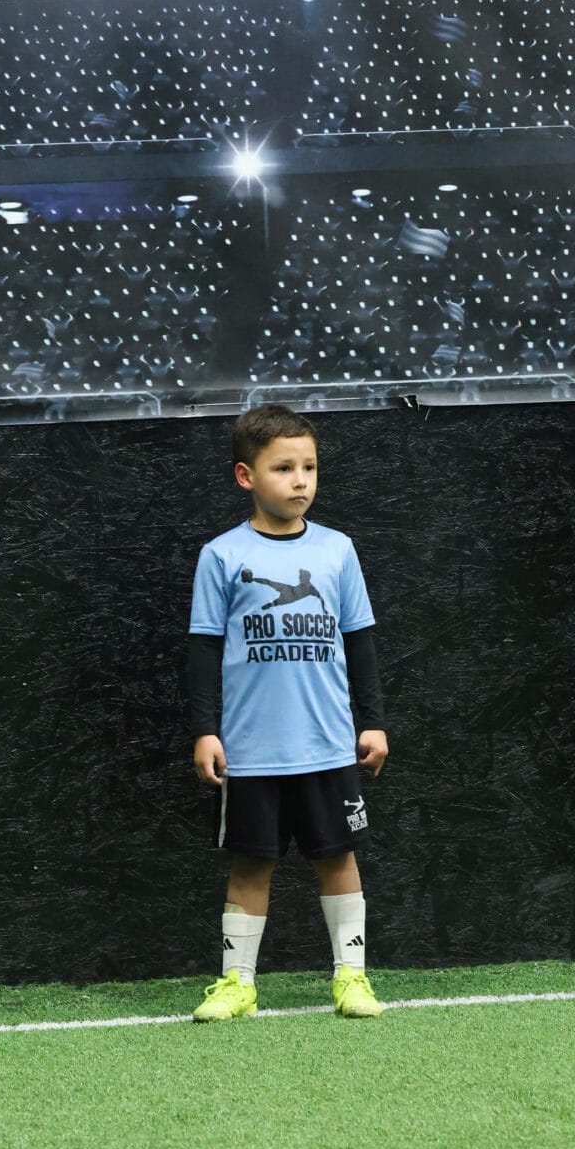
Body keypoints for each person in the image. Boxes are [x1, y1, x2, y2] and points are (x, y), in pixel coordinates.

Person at [187, 403, 388, 1020]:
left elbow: (360, 639)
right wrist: (205, 730)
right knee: (251, 863)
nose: (300, 481)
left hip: (327, 744)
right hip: (251, 750)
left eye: (309, 467)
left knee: (338, 858)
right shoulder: (221, 555)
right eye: (283, 468)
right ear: (247, 477)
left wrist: (373, 719)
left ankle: (351, 978)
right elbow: (202, 646)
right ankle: (237, 985)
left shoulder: (338, 551)